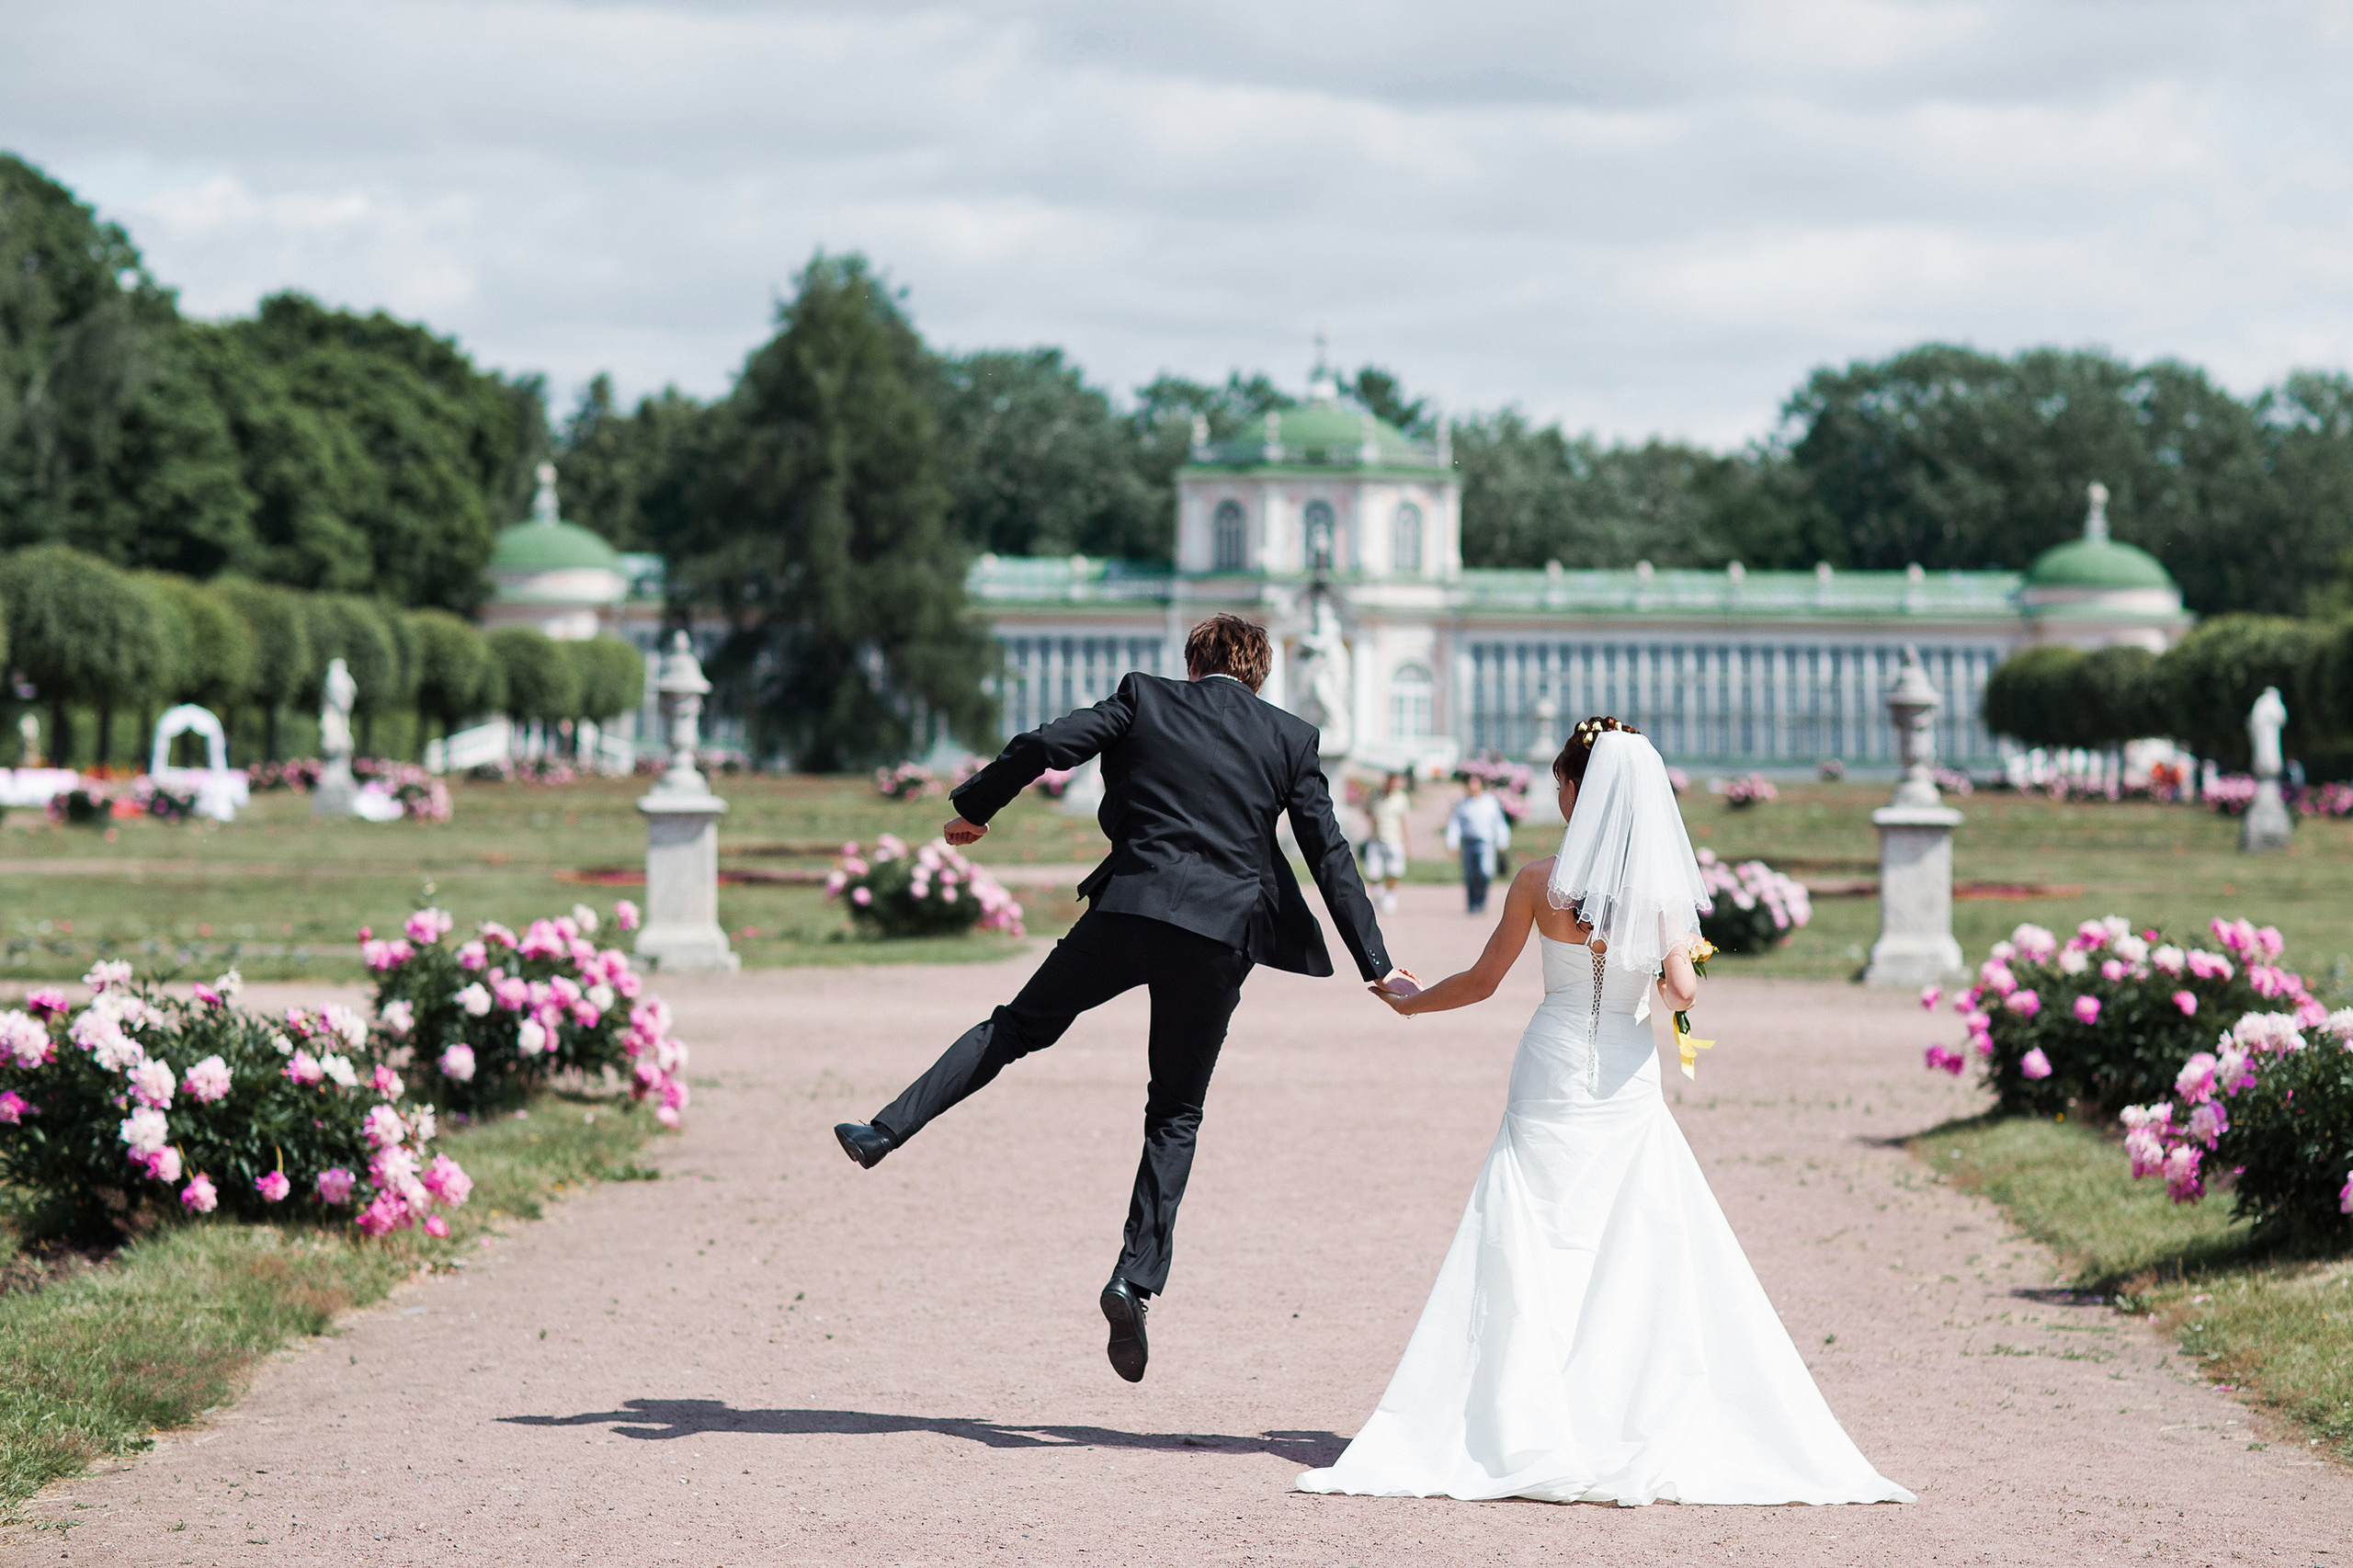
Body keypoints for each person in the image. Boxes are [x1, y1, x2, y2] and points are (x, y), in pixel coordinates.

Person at [1298, 717, 1914, 1507]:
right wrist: (1669, 975)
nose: (1557, 795)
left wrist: (1412, 1005)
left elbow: (1484, 981)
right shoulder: (1656, 893)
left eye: (1561, 783)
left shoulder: (1537, 882)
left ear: (1581, 791)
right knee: (1631, 1237)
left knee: (1529, 1233)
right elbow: (1683, 994)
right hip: (1624, 1072)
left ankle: (1519, 1416)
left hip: (1551, 1065)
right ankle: (1614, 1412)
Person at [832, 614, 1409, 1384]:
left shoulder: (1146, 697)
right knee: (1175, 1110)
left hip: (1130, 911)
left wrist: (977, 807)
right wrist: (1376, 963)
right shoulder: (1291, 737)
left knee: (1013, 1030)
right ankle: (1133, 1278)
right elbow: (1326, 852)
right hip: (1219, 935)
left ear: (1193, 659)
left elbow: (1043, 746)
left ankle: (883, 1131)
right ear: (1261, 673)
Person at [1442, 771, 1513, 915]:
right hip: (1468, 842)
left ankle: (1481, 900)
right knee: (1470, 874)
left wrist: (1502, 840)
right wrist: (1452, 842)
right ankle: (1472, 903)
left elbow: (1499, 823)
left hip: (1486, 843)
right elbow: (1455, 824)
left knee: (1485, 872)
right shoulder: (1463, 805)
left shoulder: (1490, 803)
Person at [1361, 773, 1411, 915]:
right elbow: (1367, 810)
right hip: (1376, 838)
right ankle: (1377, 892)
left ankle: (1390, 896)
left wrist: (1407, 843)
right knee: (1373, 871)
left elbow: (1404, 821)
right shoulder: (1376, 795)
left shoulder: (1401, 798)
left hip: (1394, 838)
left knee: (1394, 870)